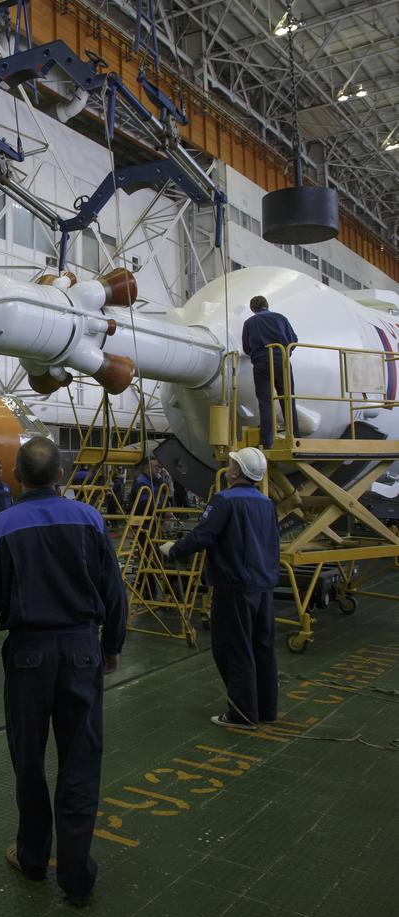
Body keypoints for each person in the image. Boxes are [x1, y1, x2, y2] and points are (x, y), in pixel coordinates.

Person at [0, 436, 127, 906]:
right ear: (60, 476)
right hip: (81, 652)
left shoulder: (0, 527)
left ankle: (33, 858)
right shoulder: (90, 519)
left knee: (29, 761)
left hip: (28, 658)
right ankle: (76, 877)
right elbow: (113, 591)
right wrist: (112, 645)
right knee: (80, 761)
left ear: (16, 475)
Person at [159, 446, 279, 729]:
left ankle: (242, 713)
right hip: (264, 586)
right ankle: (266, 709)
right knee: (262, 647)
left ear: (236, 471)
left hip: (234, 586)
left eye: (232, 464)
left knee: (234, 648)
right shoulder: (266, 504)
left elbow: (204, 535)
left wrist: (174, 549)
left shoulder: (224, 501)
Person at [242, 295, 300, 449]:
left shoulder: (249, 323)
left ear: (252, 309)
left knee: (266, 402)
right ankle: (295, 436)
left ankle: (267, 441)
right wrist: (285, 353)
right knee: (288, 399)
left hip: (261, 363)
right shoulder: (280, 318)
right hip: (282, 361)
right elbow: (294, 340)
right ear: (267, 305)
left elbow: (247, 349)